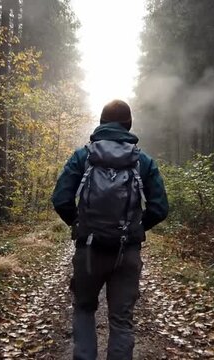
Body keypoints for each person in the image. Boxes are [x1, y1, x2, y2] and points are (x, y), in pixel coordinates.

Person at [52, 100, 169, 360]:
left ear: (102, 123)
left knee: (84, 309)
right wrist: (136, 229)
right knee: (121, 319)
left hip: (89, 250)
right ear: (128, 125)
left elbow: (60, 199)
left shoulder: (83, 156)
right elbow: (160, 208)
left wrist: (79, 224)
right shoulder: (143, 161)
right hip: (126, 252)